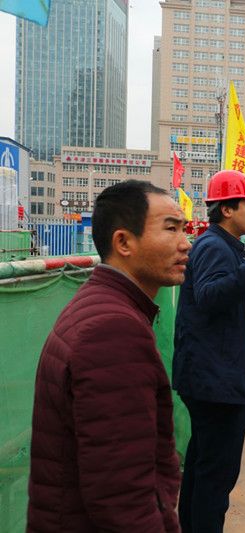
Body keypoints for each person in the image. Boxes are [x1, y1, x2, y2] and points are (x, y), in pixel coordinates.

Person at [27, 180, 190, 531]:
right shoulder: (114, 330)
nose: (185, 243)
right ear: (124, 242)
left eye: (184, 229)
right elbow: (123, 501)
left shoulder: (104, 306)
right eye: (171, 229)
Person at [172, 170, 245, 533]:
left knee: (203, 465)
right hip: (215, 382)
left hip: (216, 376)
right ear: (226, 209)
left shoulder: (226, 246)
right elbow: (210, 296)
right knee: (217, 474)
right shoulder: (213, 247)